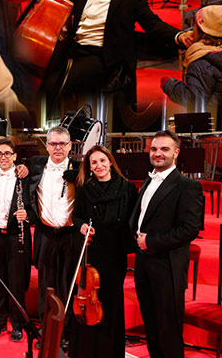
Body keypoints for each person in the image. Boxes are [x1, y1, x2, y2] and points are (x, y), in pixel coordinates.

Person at [56, 0, 189, 99]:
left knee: (63, 84)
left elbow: (152, 24)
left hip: (104, 56)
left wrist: (179, 36)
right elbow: (63, 3)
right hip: (74, 49)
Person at [131, 130, 204, 358]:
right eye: (154, 149)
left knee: (168, 331)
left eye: (164, 149)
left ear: (176, 152)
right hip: (144, 265)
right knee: (151, 328)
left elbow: (190, 228)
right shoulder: (147, 180)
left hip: (168, 267)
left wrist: (151, 241)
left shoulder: (187, 186)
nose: (158, 153)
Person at [70, 145, 138, 358]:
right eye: (93, 163)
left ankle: (110, 351)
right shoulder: (84, 188)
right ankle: (86, 351)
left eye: (102, 161)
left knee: (110, 301)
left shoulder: (127, 188)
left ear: (110, 162)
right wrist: (81, 226)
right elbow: (77, 216)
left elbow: (132, 221)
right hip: (92, 250)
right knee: (87, 301)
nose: (98, 165)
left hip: (114, 252)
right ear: (89, 167)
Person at [28, 126, 79, 318]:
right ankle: (46, 328)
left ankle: (65, 330)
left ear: (70, 146)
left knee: (67, 284)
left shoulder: (80, 169)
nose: (58, 148)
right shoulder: (35, 165)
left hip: (69, 235)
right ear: (47, 146)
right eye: (53, 143)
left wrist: (80, 179)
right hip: (46, 233)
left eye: (62, 144)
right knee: (45, 285)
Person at [0, 136, 31, 341]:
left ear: (15, 156)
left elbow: (33, 208)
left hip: (15, 236)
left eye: (7, 153)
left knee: (16, 282)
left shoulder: (24, 178)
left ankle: (18, 324)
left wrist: (27, 215)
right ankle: (0, 322)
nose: (3, 157)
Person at [161, 3, 222, 107]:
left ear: (201, 32)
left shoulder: (201, 63)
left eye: (194, 26)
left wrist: (169, 85)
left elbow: (193, 100)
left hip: (210, 120)